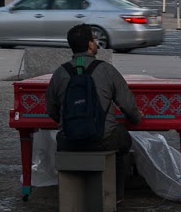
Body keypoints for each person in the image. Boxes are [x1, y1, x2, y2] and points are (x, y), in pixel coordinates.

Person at [45, 22, 141, 193]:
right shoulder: (106, 70)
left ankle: (73, 193)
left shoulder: (59, 73)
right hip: (101, 140)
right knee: (124, 140)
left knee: (62, 138)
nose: (95, 42)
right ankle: (115, 193)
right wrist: (137, 118)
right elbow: (127, 104)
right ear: (90, 44)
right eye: (94, 39)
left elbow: (52, 110)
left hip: (69, 141)